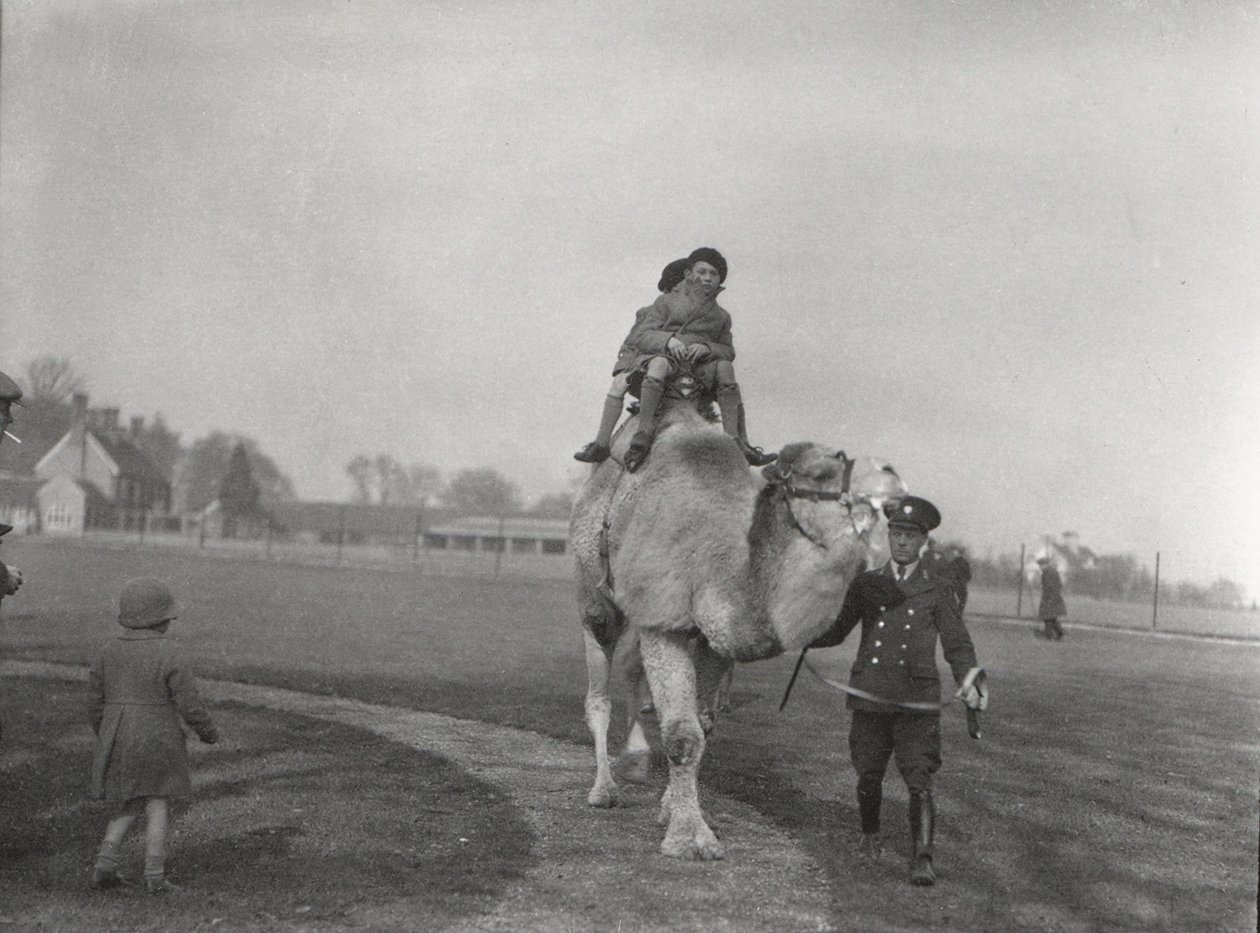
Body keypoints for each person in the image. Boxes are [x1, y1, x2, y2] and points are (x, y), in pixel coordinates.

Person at [810, 496, 984, 886]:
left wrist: (969, 680)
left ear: (923, 540)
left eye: (910, 535)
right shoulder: (868, 583)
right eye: (896, 533)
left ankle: (922, 858)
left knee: (919, 778)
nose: (901, 541)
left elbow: (957, 644)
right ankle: (869, 834)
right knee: (868, 775)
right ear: (889, 535)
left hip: (916, 700)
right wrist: (800, 631)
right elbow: (837, 630)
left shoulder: (938, 589)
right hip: (870, 693)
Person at [574, 247, 776, 473]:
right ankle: (624, 438)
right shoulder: (661, 304)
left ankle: (737, 441)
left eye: (713, 273)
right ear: (688, 276)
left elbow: (728, 350)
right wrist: (667, 341)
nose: (707, 278)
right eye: (701, 272)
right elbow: (638, 339)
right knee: (632, 377)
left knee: (726, 368)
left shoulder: (721, 316)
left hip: (698, 370)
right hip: (660, 361)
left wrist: (707, 347)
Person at [88, 577, 219, 894]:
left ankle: (104, 867)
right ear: (161, 620)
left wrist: (106, 735)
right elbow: (190, 704)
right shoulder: (171, 652)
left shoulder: (107, 651)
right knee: (157, 803)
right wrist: (208, 732)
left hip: (118, 737)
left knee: (129, 802)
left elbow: (94, 703)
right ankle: (155, 875)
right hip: (157, 737)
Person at [1036, 556, 1066, 640]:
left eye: (1040, 565)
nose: (1040, 567)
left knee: (1047, 617)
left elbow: (1048, 586)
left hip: (1049, 598)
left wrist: (1048, 598)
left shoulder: (1046, 573)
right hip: (1056, 597)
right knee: (1052, 617)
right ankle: (1060, 634)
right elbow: (1059, 584)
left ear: (1044, 564)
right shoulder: (1054, 571)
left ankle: (1049, 636)